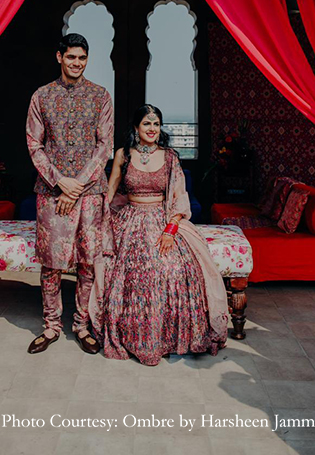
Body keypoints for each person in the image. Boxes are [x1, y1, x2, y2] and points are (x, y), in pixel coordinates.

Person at [90, 104, 228, 366]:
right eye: (146, 124)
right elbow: (110, 192)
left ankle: (170, 337)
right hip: (130, 220)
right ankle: (135, 337)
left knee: (172, 267)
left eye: (156, 124)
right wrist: (97, 220)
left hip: (162, 220)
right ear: (135, 127)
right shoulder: (123, 155)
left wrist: (170, 231)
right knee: (133, 270)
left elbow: (178, 197)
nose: (152, 129)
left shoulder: (170, 157)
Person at [26, 33, 114, 355]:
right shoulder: (42, 96)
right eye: (71, 57)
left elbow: (105, 147)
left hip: (90, 192)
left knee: (88, 261)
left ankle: (81, 325)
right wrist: (59, 181)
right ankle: (51, 326)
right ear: (59, 57)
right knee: (51, 264)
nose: (77, 63)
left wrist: (75, 184)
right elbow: (34, 145)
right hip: (51, 191)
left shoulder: (101, 97)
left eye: (82, 58)